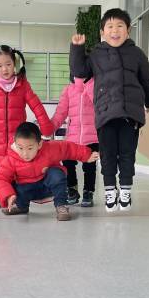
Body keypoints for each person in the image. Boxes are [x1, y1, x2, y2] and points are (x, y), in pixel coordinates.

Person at [70, 8, 149, 212]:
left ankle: (125, 189)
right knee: (108, 154)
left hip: (130, 114)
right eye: (110, 26)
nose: (115, 31)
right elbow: (80, 71)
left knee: (127, 153)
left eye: (120, 26)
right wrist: (77, 48)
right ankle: (110, 189)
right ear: (102, 32)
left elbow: (147, 80)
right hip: (105, 114)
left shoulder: (136, 54)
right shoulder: (96, 54)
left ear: (128, 30)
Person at [0, 45, 54, 209]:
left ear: (15, 64)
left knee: (14, 169)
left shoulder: (22, 86)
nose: (4, 69)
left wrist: (46, 127)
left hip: (16, 138)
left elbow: (37, 106)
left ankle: (15, 197)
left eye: (8, 64)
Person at [0, 122, 99, 221]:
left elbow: (68, 148)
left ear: (39, 144)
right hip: (25, 190)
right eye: (20, 148)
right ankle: (21, 206)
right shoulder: (11, 159)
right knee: (12, 183)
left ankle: (61, 206)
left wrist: (86, 155)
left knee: (56, 173)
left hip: (47, 187)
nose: (25, 154)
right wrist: (8, 195)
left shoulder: (49, 149)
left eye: (30, 148)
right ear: (15, 144)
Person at [51, 76, 99, 207]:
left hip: (92, 136)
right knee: (67, 162)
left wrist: (90, 85)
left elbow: (100, 106)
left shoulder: (97, 86)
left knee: (90, 167)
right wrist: (49, 127)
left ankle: (88, 192)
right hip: (72, 136)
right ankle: (72, 189)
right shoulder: (69, 90)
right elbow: (60, 113)